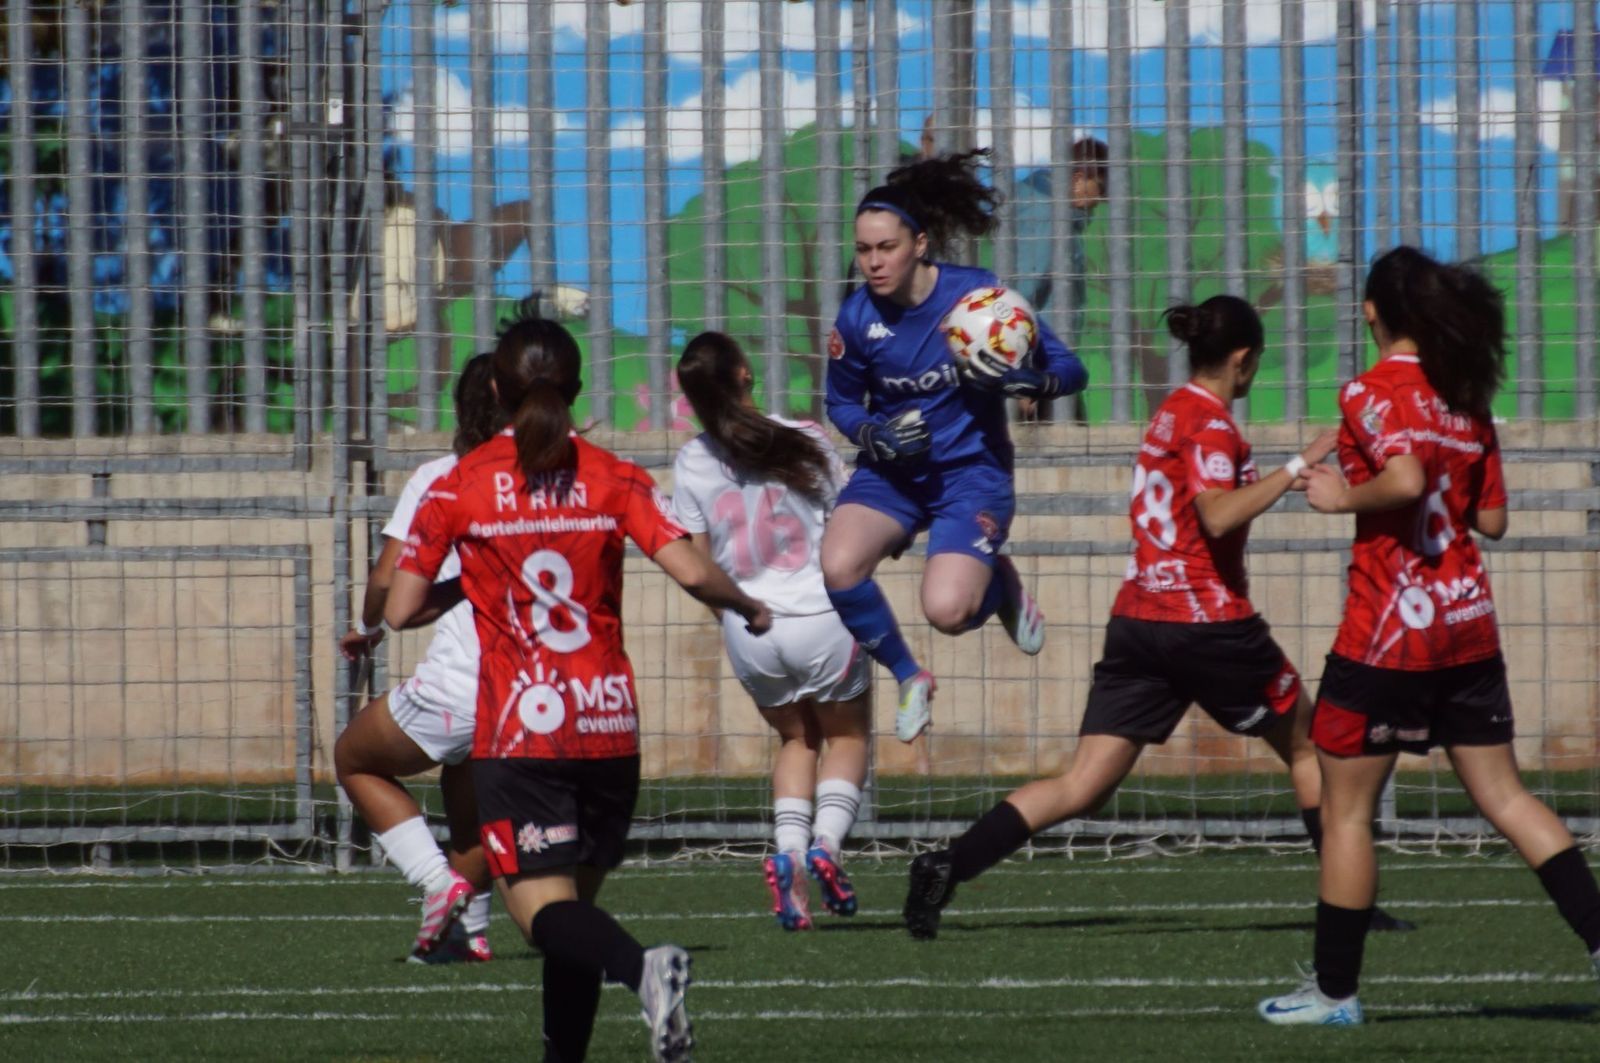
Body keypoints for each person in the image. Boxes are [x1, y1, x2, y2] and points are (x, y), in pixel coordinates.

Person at [902, 295, 1361, 940]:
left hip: (1140, 620)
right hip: (1206, 622)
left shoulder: (1170, 411)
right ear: (1243, 359)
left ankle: (947, 865)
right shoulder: (1212, 426)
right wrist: (1294, 467)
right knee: (1309, 748)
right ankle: (1350, 906)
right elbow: (1217, 513)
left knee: (1083, 785)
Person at [385, 313, 770, 1063]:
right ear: (579, 386)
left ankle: (643, 968)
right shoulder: (615, 473)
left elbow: (399, 608)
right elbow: (691, 570)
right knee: (572, 920)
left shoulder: (458, 484)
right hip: (607, 726)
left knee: (541, 917)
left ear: (494, 388)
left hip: (521, 732)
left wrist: (472, 579)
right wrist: (748, 604)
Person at [1257, 247, 1600, 1026]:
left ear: (1372, 312)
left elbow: (1407, 479)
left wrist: (1344, 496)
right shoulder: (1466, 397)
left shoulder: (1369, 391)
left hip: (1387, 637)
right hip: (1469, 629)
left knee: (1347, 814)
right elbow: (1492, 521)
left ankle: (1336, 995)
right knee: (1509, 796)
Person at [822, 148, 1089, 747]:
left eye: (885, 247)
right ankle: (908, 675)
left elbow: (1072, 368)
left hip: (970, 475)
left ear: (919, 243)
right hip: (893, 472)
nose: (872, 262)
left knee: (948, 612)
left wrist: (1038, 382)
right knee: (838, 567)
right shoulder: (856, 320)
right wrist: (872, 434)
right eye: (863, 250)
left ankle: (1001, 585)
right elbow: (838, 402)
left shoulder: (980, 301)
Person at [672, 331, 872, 932]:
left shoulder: (692, 460)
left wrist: (733, 617)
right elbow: (850, 524)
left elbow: (697, 562)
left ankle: (787, 856)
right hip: (822, 615)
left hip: (750, 629)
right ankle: (826, 848)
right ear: (745, 374)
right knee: (849, 739)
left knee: (795, 742)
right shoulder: (803, 438)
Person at [336, 353, 502, 963]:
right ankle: (471, 934)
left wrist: (367, 628)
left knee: (354, 758)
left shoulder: (439, 477)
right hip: (526, 687)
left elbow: (386, 578)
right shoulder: (547, 479)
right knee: (469, 800)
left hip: (457, 683)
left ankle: (438, 885)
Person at [1012, 136, 1108, 423]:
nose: (1100, 201)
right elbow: (1018, 298)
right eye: (1100, 189)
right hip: (1039, 370)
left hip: (1048, 365)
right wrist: (1024, 379)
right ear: (1078, 179)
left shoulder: (1050, 213)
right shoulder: (1049, 220)